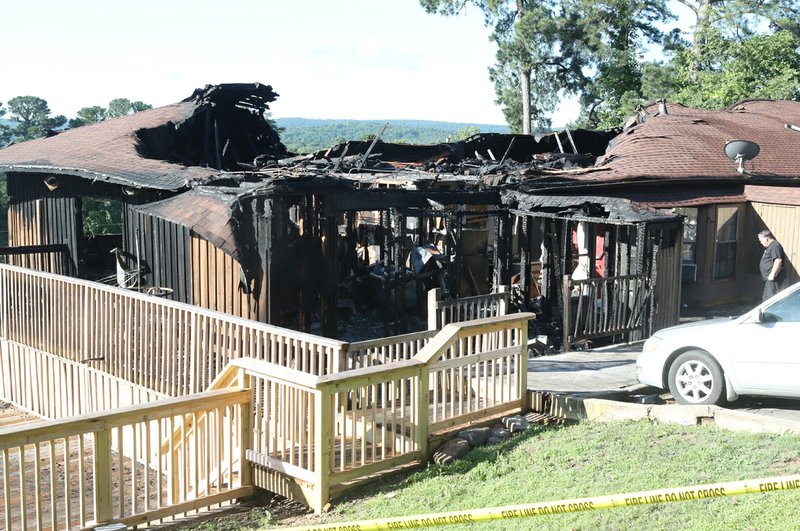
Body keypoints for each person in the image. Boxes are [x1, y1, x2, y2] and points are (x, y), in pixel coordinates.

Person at [758, 229, 784, 301]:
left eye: (761, 240)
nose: (761, 242)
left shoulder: (774, 245)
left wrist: (772, 274)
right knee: (766, 299)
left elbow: (778, 260)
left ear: (766, 239)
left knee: (770, 300)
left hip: (773, 278)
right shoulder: (770, 247)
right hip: (768, 279)